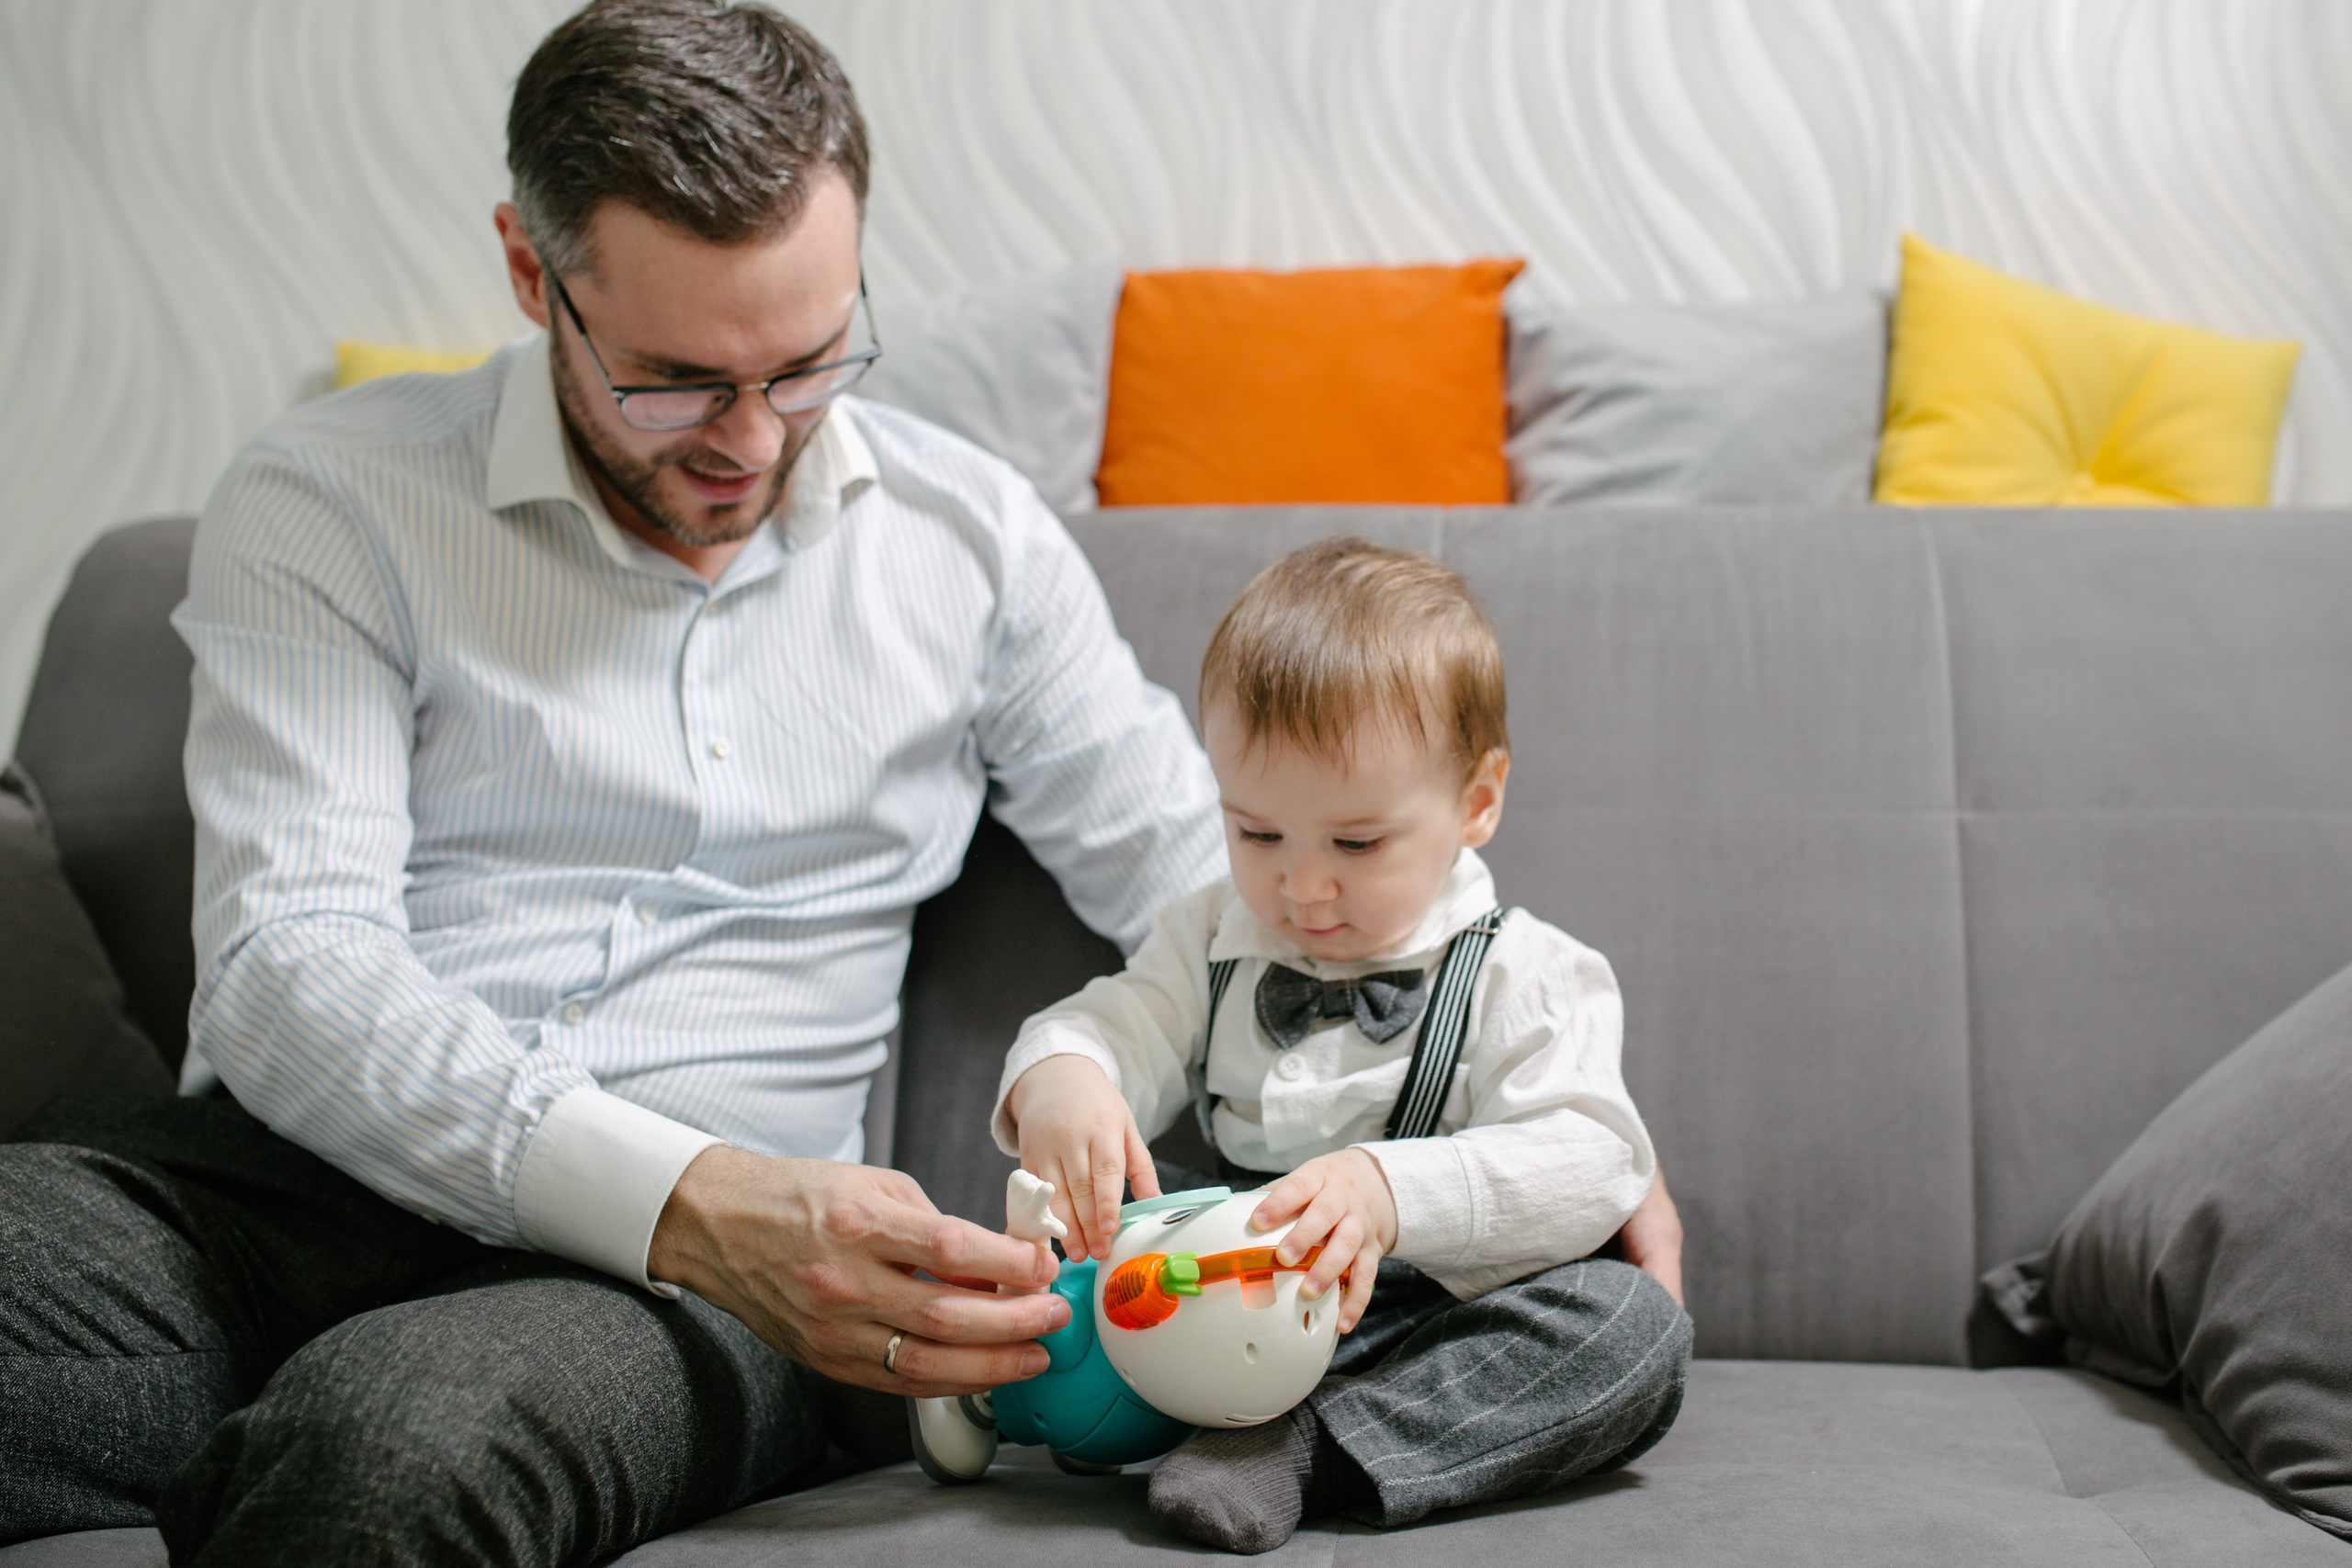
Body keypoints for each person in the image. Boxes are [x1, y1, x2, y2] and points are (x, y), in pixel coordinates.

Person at [0, 3, 1683, 1562]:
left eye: (808, 361)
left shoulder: (968, 543)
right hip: (285, 1196)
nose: (749, 436)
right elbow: (294, 967)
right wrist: (683, 1200)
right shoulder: (336, 495)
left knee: (396, 1452)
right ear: (531, 271)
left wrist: (1536, 1147)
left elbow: (1218, 873)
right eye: (670, 380)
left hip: (691, 1295)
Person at [998, 537, 1693, 1552]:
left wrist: (1384, 1192)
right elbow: (1113, 1021)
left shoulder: (1532, 971)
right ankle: (1088, 1387)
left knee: (1631, 1330)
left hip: (1428, 1317)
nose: (1301, 887)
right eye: (1256, 834)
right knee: (1104, 1221)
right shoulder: (1208, 937)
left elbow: (1591, 1161)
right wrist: (1064, 1075)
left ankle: (1300, 1446)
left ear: (1477, 801)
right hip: (1224, 1279)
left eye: (1356, 843)